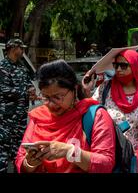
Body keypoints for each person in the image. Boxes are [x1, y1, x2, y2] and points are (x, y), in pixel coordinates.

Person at [15, 60, 116, 173]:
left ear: (74, 90)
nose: (51, 104)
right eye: (46, 97)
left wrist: (70, 151)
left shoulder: (95, 116)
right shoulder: (39, 117)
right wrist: (29, 164)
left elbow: (106, 164)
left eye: (58, 97)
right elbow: (21, 159)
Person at [0, 38, 36, 172]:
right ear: (13, 48)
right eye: (21, 48)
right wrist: (25, 93)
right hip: (6, 116)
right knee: (3, 148)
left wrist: (31, 89)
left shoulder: (21, 66)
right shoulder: (3, 67)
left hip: (20, 116)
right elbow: (3, 89)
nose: (23, 51)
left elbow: (28, 83)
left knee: (18, 148)